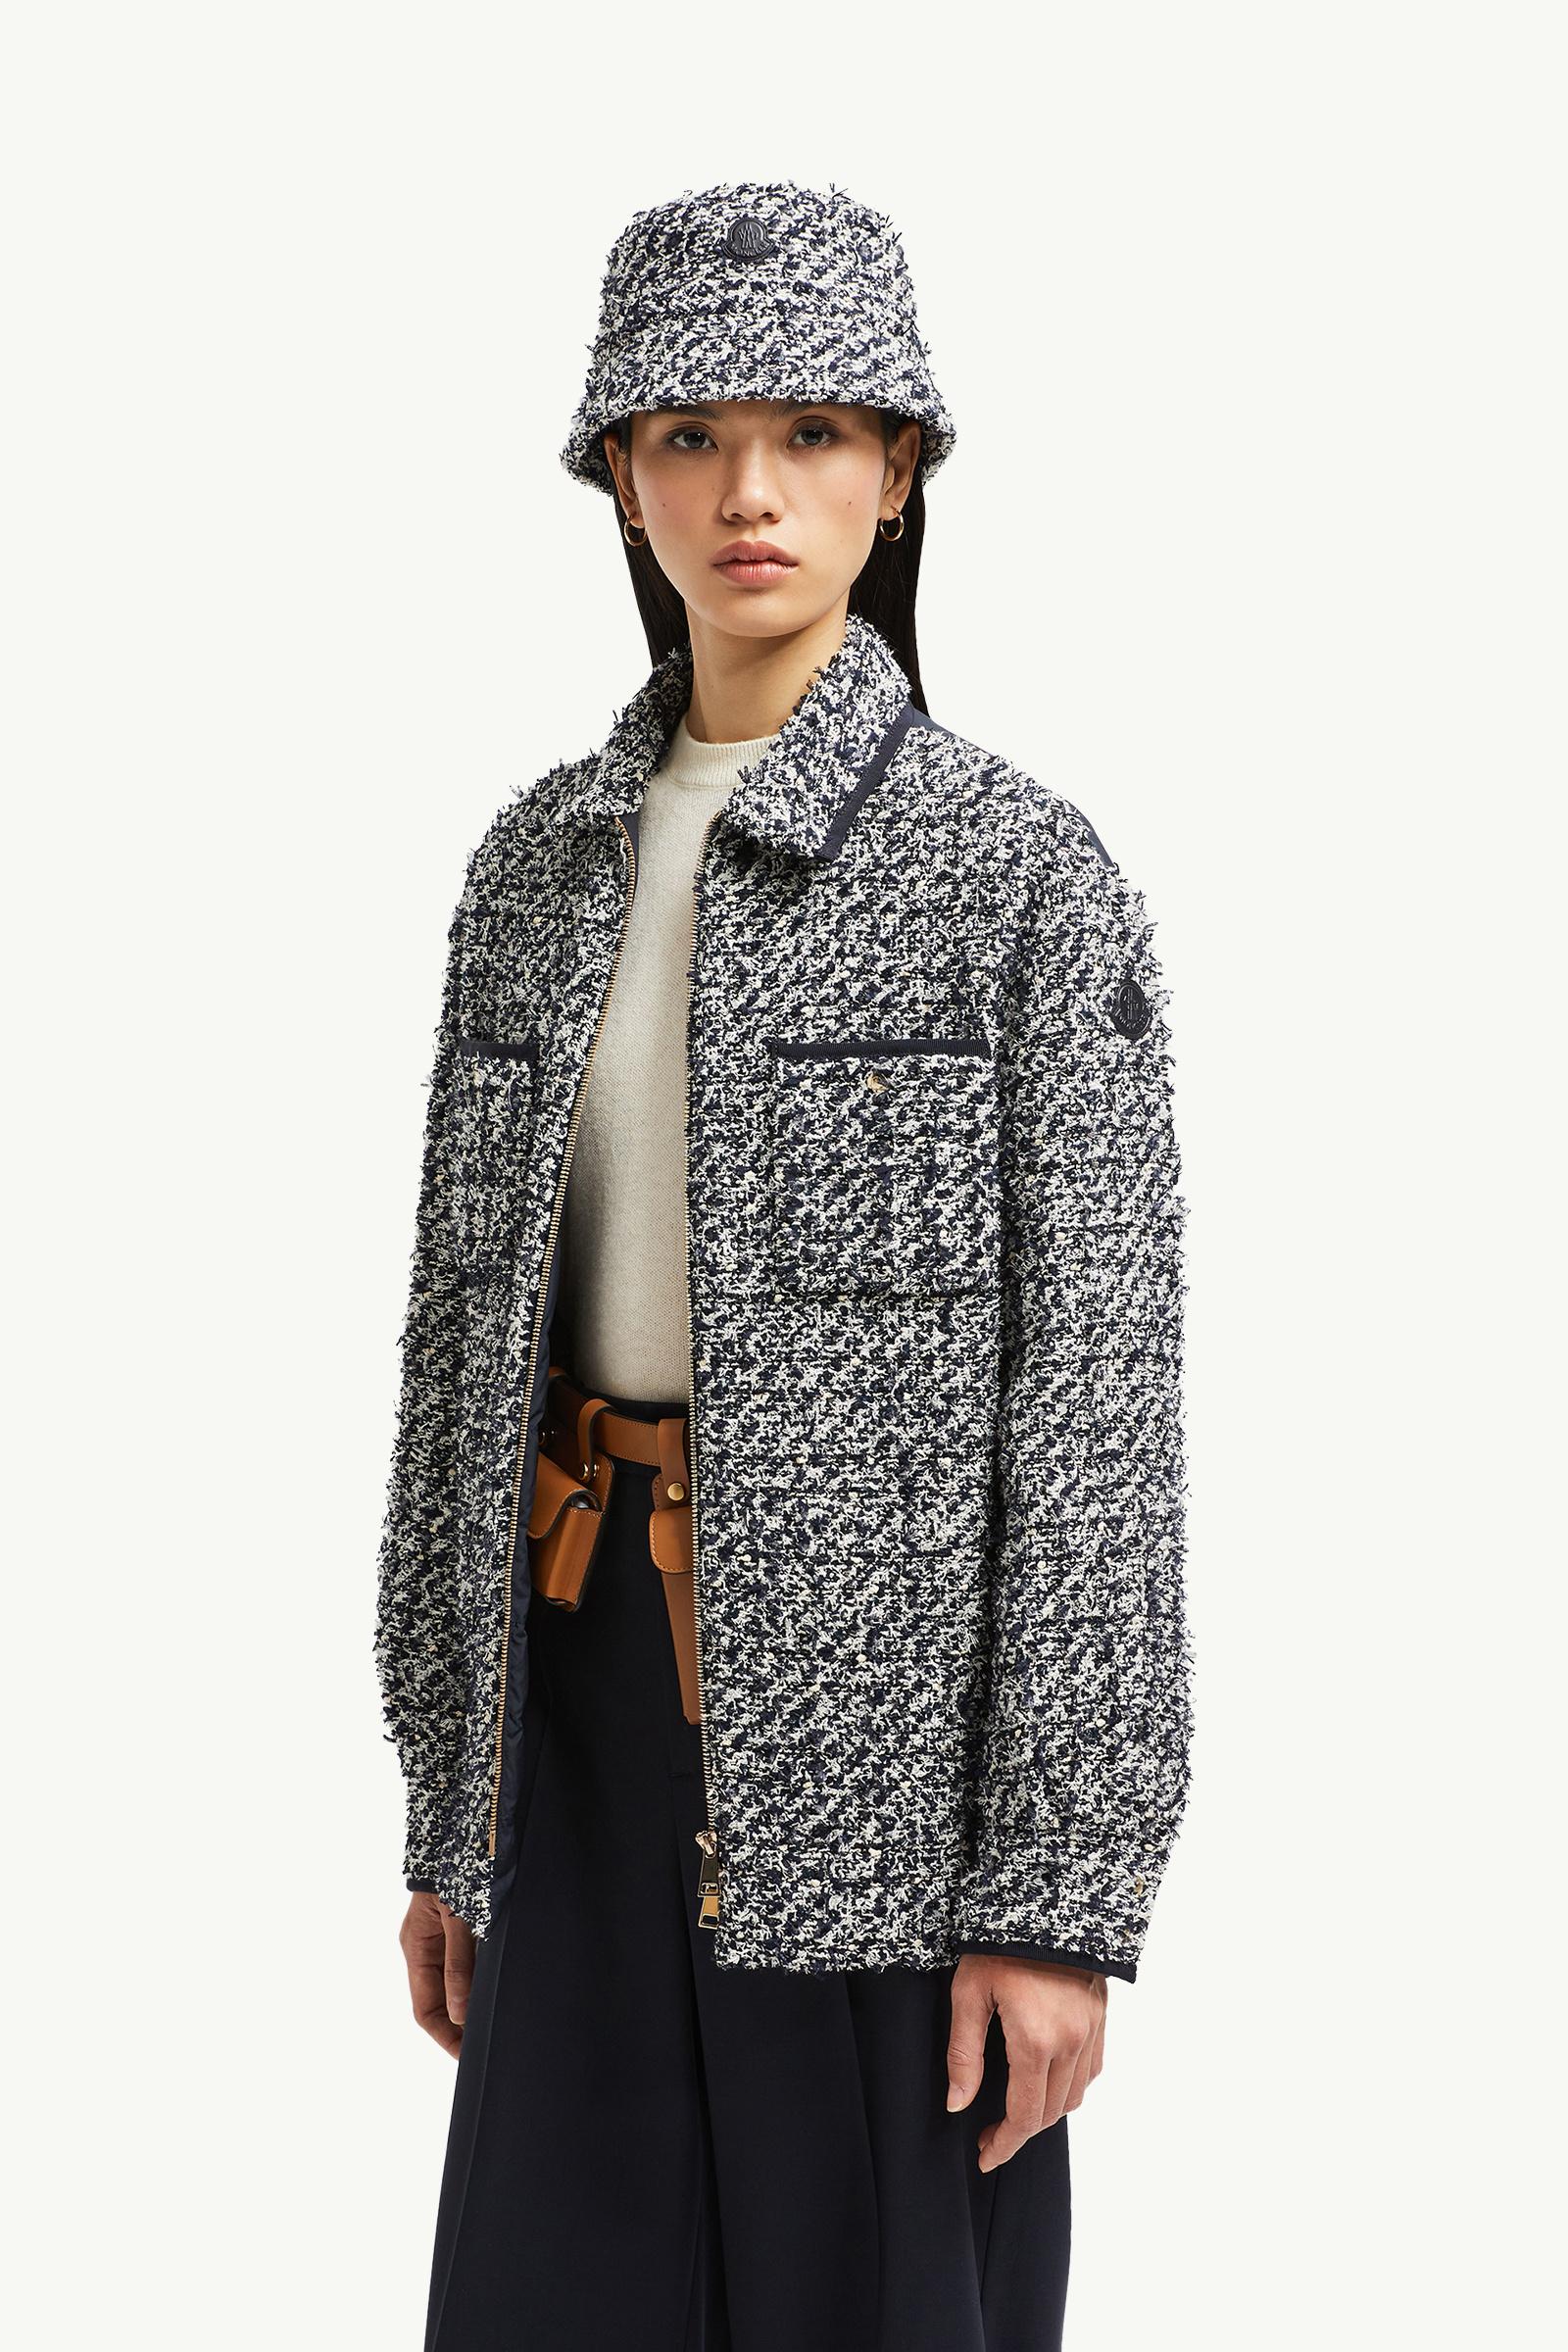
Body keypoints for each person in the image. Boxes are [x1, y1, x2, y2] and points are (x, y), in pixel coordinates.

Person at [373, 177, 1195, 2352]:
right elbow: (454, 1368)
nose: (751, 491)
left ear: (898, 470)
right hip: (568, 1725)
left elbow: (1097, 1414)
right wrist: (450, 1809)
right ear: (618, 479)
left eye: (815, 432)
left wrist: (1058, 1893)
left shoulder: (1018, 876)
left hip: (885, 1796)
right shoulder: (533, 870)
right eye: (690, 436)